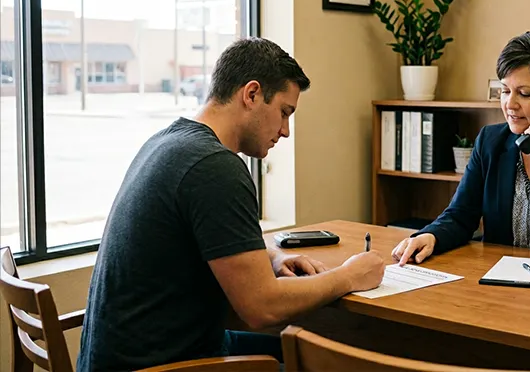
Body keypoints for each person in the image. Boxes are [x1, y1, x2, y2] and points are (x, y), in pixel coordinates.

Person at [77, 37, 385, 372]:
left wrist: (275, 257)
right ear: (251, 94)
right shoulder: (214, 166)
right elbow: (262, 308)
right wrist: (349, 276)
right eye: (284, 112)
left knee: (314, 352)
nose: (285, 131)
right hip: (165, 365)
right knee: (328, 360)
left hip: (130, 357)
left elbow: (209, 243)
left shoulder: (169, 142)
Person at [391, 30, 530, 265]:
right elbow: (460, 215)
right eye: (505, 91)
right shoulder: (490, 141)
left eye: (524, 94)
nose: (510, 104)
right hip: (501, 281)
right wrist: (432, 235)